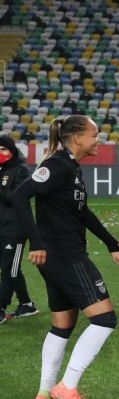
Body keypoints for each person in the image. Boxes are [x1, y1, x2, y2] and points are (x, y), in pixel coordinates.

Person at [12, 115, 119, 399]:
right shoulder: (57, 165)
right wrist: (36, 243)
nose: (98, 139)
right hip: (65, 256)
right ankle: (67, 387)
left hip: (60, 256)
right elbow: (19, 196)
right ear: (77, 138)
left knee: (62, 325)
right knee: (105, 319)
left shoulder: (72, 168)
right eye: (94, 134)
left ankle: (44, 392)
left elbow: (82, 212)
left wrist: (109, 241)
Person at [0, 135, 37, 322]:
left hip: (15, 228)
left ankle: (1, 306)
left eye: (3, 149)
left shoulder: (21, 170)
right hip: (3, 227)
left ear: (12, 150)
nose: (0, 153)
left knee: (10, 269)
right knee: (10, 267)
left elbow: (17, 198)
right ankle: (27, 304)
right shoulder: (3, 170)